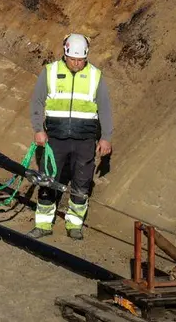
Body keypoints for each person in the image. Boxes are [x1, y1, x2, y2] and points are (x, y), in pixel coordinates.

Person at [29, 33, 114, 241]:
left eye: (80, 59)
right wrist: (38, 129)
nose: (76, 63)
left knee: (82, 181)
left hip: (85, 139)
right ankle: (43, 224)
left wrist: (106, 137)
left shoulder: (95, 75)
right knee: (49, 179)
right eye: (73, 59)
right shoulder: (50, 72)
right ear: (65, 54)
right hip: (55, 138)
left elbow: (105, 109)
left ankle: (74, 224)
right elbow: (37, 102)